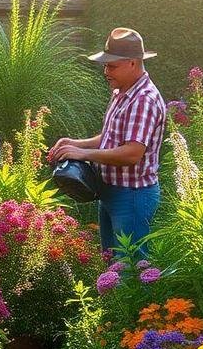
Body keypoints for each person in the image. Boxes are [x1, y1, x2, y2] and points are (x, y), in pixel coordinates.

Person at [47, 27, 165, 256]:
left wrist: (83, 155)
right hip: (111, 192)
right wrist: (75, 144)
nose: (105, 71)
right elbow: (112, 137)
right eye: (105, 65)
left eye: (112, 66)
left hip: (132, 196)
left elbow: (131, 153)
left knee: (131, 274)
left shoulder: (144, 100)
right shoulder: (122, 92)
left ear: (132, 63)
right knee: (112, 269)